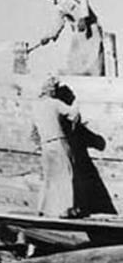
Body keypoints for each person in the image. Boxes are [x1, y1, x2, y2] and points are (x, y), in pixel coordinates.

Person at [31, 76, 81, 218]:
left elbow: (34, 131)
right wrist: (76, 102)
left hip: (45, 145)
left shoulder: (35, 107)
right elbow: (73, 114)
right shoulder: (55, 103)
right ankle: (66, 209)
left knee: (49, 177)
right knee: (66, 175)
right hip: (59, 142)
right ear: (52, 90)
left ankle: (43, 208)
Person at [34, 0, 104, 76]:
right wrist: (49, 36)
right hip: (78, 31)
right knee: (74, 58)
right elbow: (58, 22)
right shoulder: (58, 4)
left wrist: (83, 17)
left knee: (93, 57)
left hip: (91, 27)